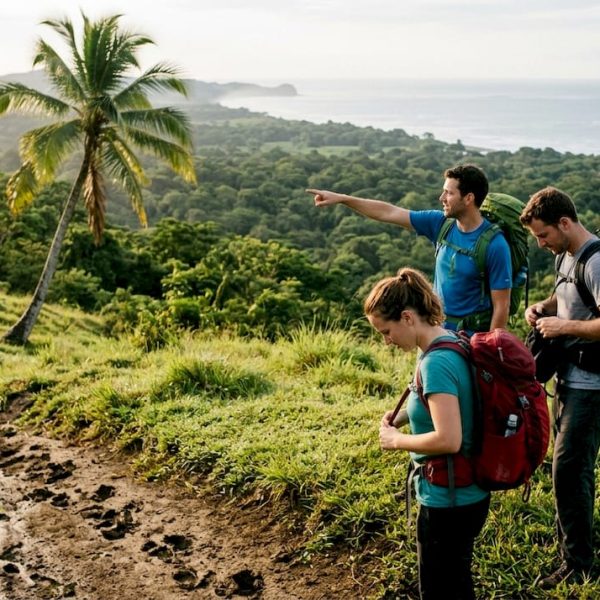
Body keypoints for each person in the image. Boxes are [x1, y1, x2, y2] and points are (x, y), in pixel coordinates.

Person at [365, 267, 490, 600]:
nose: (386, 341)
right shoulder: (444, 340)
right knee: (456, 580)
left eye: (386, 331)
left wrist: (396, 441)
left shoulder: (435, 362)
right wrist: (404, 416)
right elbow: (444, 403)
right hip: (465, 491)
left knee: (440, 589)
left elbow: (448, 438)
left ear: (407, 317)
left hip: (449, 499)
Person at [307, 164, 512, 333]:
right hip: (436, 331)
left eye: (449, 193)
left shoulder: (494, 245)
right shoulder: (440, 224)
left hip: (471, 338)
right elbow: (388, 213)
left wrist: (491, 349)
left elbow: (502, 305)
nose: (442, 198)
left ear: (469, 198)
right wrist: (343, 199)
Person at [521, 186, 600, 588]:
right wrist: (543, 308)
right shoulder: (565, 257)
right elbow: (565, 300)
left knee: (569, 471)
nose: (541, 243)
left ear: (565, 223)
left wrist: (563, 326)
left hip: (593, 386)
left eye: (543, 235)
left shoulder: (596, 261)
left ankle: (579, 565)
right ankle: (572, 549)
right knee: (569, 471)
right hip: (569, 380)